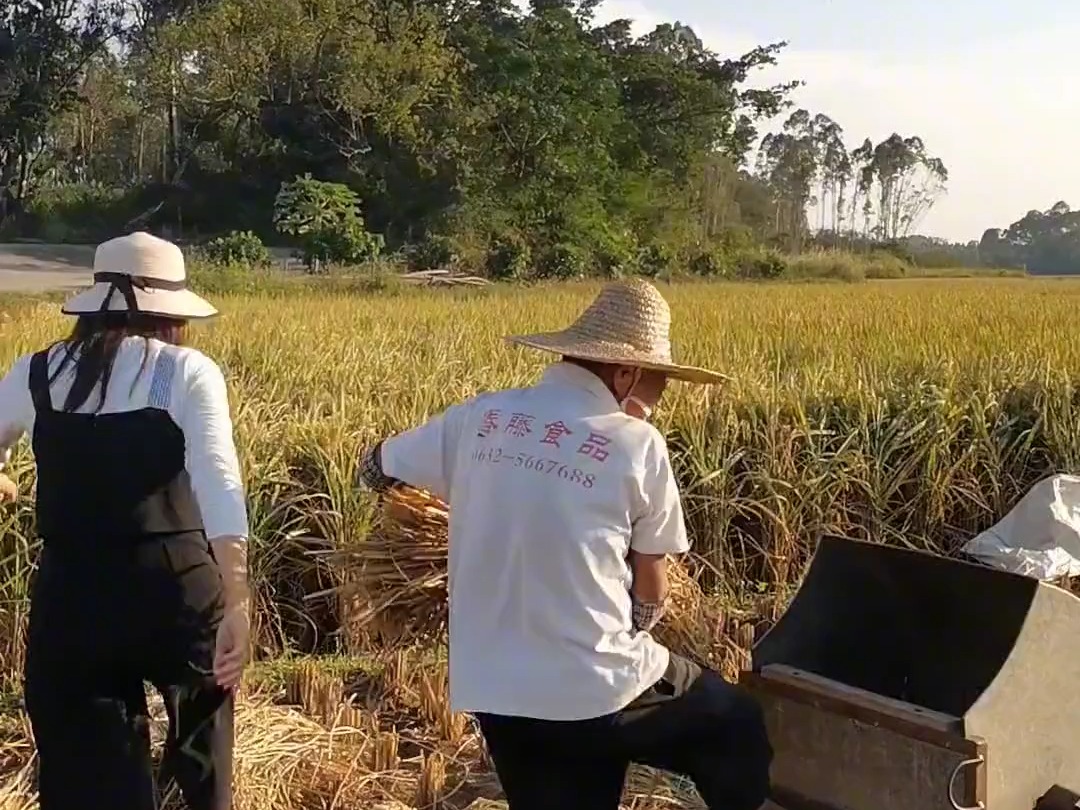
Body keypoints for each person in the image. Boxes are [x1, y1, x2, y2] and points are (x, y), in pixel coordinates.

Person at [356, 279, 773, 810]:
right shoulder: (636, 443)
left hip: (493, 691)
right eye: (657, 387)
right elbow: (652, 587)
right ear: (626, 373)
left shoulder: (479, 417)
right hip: (594, 687)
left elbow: (376, 468)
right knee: (735, 723)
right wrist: (635, 620)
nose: (653, 403)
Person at [0, 232, 251, 810]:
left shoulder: (38, 372)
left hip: (74, 596)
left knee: (92, 778)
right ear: (170, 312)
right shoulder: (188, 371)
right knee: (202, 769)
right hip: (178, 590)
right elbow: (218, 481)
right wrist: (237, 596)